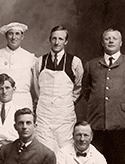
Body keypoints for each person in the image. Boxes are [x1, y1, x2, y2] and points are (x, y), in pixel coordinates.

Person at [82, 29, 125, 164]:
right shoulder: (91, 65)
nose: (111, 41)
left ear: (121, 42)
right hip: (97, 124)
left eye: (114, 38)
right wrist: (98, 105)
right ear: (102, 43)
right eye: (107, 38)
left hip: (122, 125)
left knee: (121, 160)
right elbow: (86, 91)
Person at [34, 25, 83, 153]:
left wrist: (69, 102)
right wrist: (44, 101)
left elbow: (79, 86)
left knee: (65, 149)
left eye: (60, 39)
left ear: (66, 41)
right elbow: (36, 85)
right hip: (44, 113)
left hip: (64, 115)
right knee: (43, 149)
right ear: (50, 40)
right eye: (54, 38)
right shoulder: (40, 62)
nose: (57, 42)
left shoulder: (75, 62)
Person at [0, 22, 37, 109]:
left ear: (22, 37)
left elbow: (36, 84)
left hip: (23, 101)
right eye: (10, 34)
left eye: (17, 34)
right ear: (6, 36)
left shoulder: (30, 58)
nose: (14, 37)